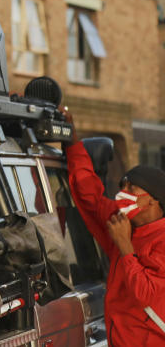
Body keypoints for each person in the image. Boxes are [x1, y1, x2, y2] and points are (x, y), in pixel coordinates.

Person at [62, 109, 165, 345]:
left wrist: (125, 246)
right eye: (122, 186)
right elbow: (89, 194)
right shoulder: (121, 219)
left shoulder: (161, 240)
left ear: (152, 200)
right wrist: (72, 139)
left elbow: (146, 294)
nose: (122, 193)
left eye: (131, 189)